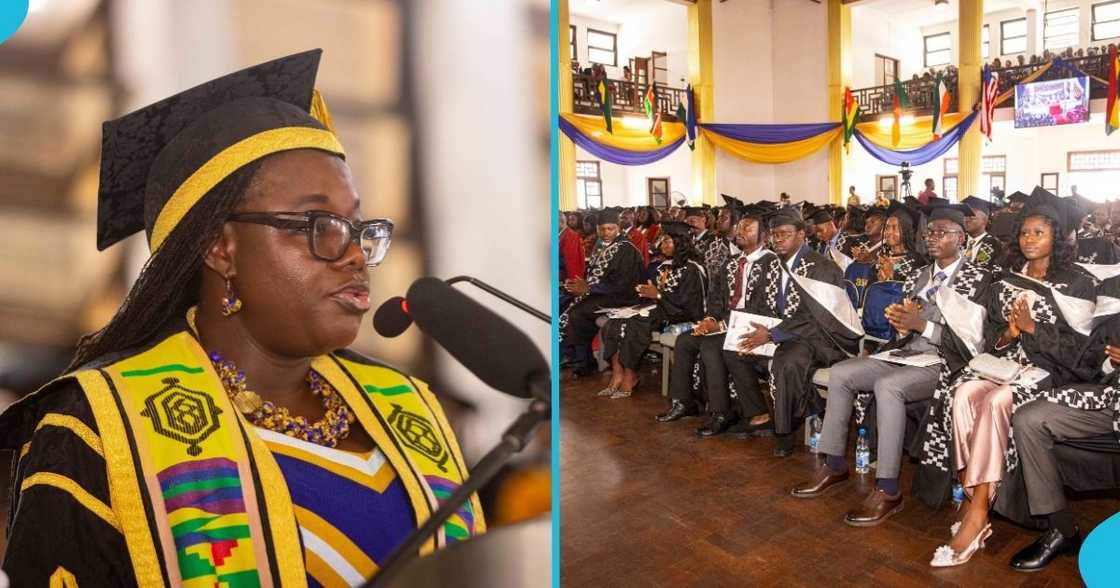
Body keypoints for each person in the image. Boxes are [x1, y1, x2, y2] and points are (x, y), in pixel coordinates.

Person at [0, 50, 485, 585]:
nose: (353, 253)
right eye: (319, 223)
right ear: (220, 248)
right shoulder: (99, 428)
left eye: (357, 225)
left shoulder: (408, 408)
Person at [917, 189, 1095, 568]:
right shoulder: (1004, 279)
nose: (1029, 240)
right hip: (1003, 366)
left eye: (1039, 233)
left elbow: (1084, 354)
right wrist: (1010, 335)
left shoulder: (1076, 284)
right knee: (964, 392)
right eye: (1024, 233)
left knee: (997, 402)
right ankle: (971, 496)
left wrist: (1031, 329)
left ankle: (978, 513)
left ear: (1057, 237)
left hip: (1050, 374)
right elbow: (991, 336)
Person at [791, 205, 992, 527]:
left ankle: (887, 488)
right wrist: (899, 325)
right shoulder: (920, 275)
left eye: (942, 233)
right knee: (843, 373)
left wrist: (921, 326)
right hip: (906, 353)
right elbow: (904, 328)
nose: (933, 238)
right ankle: (834, 463)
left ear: (961, 238)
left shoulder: (978, 280)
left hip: (947, 363)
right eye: (930, 233)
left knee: (888, 387)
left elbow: (975, 343)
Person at [724, 208, 862, 456]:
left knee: (786, 361)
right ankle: (762, 413)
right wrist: (754, 327)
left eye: (785, 234)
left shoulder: (822, 267)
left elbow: (816, 317)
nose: (778, 240)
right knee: (737, 349)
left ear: (801, 234)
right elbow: (762, 303)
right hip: (785, 332)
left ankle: (784, 431)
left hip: (822, 338)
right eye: (774, 235)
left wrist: (773, 334)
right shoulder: (773, 265)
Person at [997, 298, 1120, 571]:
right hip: (1112, 401)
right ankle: (1062, 529)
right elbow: (1097, 370)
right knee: (1029, 418)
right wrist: (1112, 363)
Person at [657, 211, 782, 435]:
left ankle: (722, 412)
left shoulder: (772, 263)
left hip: (754, 328)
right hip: (726, 325)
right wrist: (710, 319)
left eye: (748, 228)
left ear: (764, 235)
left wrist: (722, 325)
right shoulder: (732, 263)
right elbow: (716, 298)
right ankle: (684, 402)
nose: (740, 232)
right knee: (686, 340)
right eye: (740, 227)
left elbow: (766, 308)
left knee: (711, 346)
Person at [599, 222, 706, 399]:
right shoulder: (665, 266)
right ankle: (617, 374)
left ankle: (630, 376)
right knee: (615, 321)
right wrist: (647, 293)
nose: (662, 245)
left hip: (681, 316)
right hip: (661, 309)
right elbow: (657, 295)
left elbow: (690, 305)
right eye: (662, 241)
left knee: (635, 322)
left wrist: (658, 296)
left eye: (667, 241)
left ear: (680, 243)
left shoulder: (692, 269)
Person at [561, 208, 644, 377]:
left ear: (618, 228)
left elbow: (624, 284)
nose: (606, 233)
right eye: (602, 229)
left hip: (623, 297)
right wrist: (579, 284)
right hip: (603, 293)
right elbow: (593, 273)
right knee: (564, 302)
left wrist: (589, 288)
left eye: (610, 228)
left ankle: (585, 361)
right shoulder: (601, 246)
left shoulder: (626, 249)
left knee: (577, 312)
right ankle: (575, 355)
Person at [877, 203, 927, 287]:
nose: (888, 232)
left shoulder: (917, 261)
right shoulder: (882, 256)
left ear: (906, 231)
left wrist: (893, 275)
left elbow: (915, 290)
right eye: (887, 227)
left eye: (894, 227)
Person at [961, 195, 1006, 272]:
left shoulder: (996, 245)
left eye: (972, 217)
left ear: (985, 220)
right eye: (965, 216)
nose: (966, 220)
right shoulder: (958, 240)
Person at [560, 210, 586, 284]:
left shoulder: (572, 236)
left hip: (569, 276)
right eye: (569, 220)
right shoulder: (564, 234)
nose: (570, 222)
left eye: (573, 220)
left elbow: (571, 262)